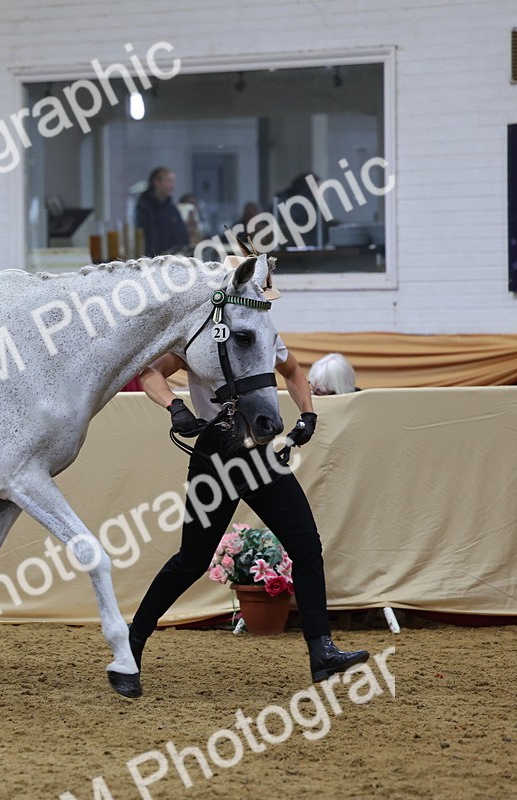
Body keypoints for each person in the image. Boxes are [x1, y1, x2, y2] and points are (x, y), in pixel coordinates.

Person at [129, 300, 369, 684]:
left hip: (258, 455)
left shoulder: (261, 336)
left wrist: (307, 413)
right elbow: (151, 374)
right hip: (216, 454)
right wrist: (175, 407)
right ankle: (132, 642)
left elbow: (292, 372)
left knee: (306, 546)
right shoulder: (201, 337)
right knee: (191, 561)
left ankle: (321, 650)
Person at [134, 167, 189, 256]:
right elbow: (148, 238)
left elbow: (181, 235)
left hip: (174, 258)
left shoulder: (171, 209)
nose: (172, 186)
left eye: (173, 181)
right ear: (156, 182)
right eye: (169, 181)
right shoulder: (144, 208)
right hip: (153, 260)